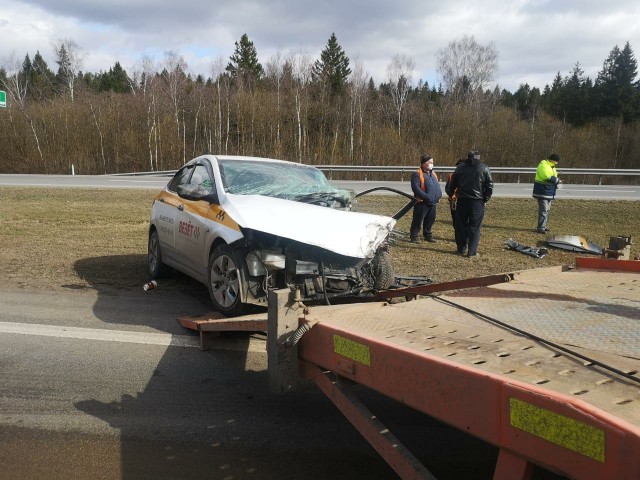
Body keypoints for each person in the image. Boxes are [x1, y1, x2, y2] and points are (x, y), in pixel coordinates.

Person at [445, 150, 493, 258]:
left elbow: (452, 185)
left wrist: (452, 194)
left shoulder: (460, 168)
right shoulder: (484, 168)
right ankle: (472, 252)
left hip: (462, 201)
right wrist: (485, 199)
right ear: (478, 157)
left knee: (460, 226)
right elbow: (489, 186)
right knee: (474, 227)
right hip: (477, 201)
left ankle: (461, 249)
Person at [409, 154, 442, 243]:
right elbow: (416, 188)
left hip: (433, 202)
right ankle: (414, 236)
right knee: (418, 219)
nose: (432, 164)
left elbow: (436, 186)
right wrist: (426, 197)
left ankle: (427, 235)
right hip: (422, 202)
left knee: (430, 219)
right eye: (430, 162)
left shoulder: (432, 173)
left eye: (432, 162)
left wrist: (438, 195)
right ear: (424, 164)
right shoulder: (417, 174)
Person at [532, 153, 563, 233]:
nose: (557, 163)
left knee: (547, 210)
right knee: (543, 210)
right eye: (556, 161)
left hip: (548, 191)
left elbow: (553, 176)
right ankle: (540, 228)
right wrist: (557, 181)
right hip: (542, 191)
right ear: (552, 160)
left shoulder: (551, 166)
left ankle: (543, 226)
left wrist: (557, 182)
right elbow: (546, 177)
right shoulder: (544, 165)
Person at [445, 159, 464, 227]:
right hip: (453, 201)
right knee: (455, 219)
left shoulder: (468, 176)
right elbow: (447, 188)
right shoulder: (452, 176)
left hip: (463, 201)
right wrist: (451, 194)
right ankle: (457, 234)